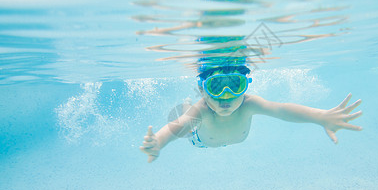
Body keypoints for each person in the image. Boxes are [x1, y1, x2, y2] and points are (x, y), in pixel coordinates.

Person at [140, 65, 363, 163]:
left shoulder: (249, 104)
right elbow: (176, 127)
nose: (225, 96)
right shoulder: (203, 110)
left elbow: (282, 109)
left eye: (234, 85)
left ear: (246, 85)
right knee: (189, 123)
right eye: (216, 87)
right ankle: (188, 102)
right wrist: (158, 141)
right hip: (201, 141)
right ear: (203, 90)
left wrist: (320, 116)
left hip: (220, 137)